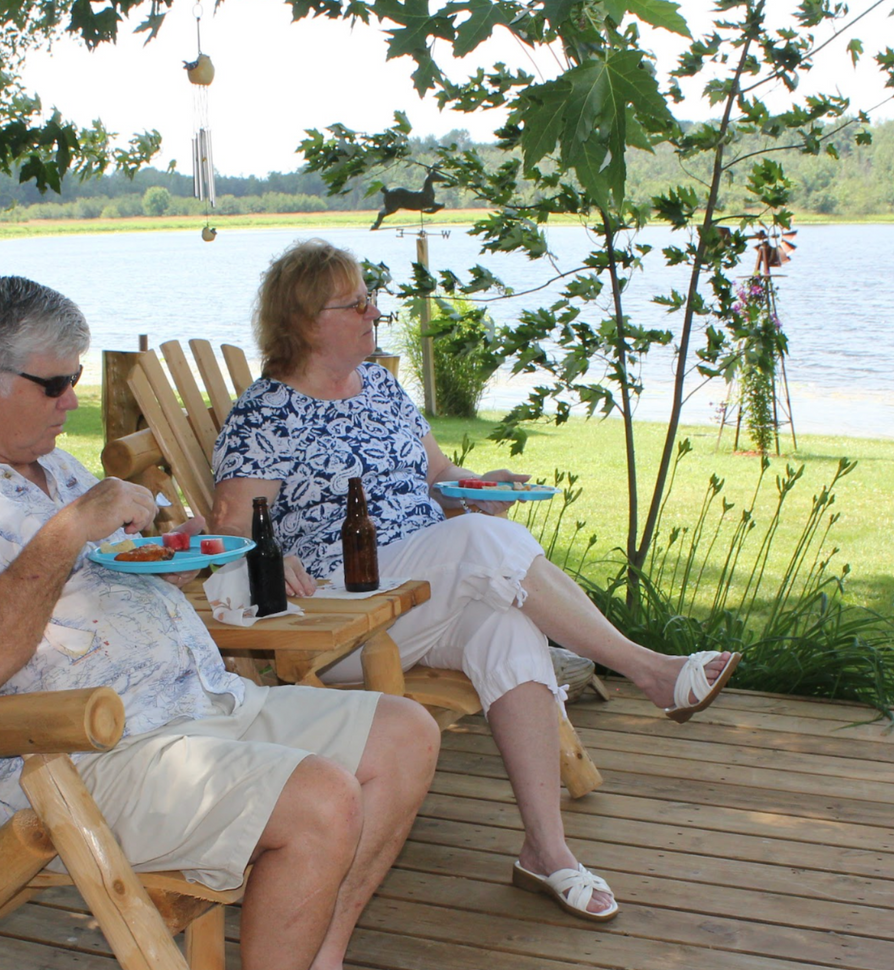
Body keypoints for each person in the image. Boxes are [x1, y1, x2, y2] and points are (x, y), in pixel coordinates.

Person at [0, 275, 442, 970]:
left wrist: (168, 552)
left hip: (201, 704)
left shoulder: (50, 467)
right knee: (320, 798)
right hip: (79, 755)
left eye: (75, 379)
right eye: (55, 384)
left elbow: (111, 572)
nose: (73, 400)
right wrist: (68, 531)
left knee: (403, 732)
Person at [211, 240, 741, 924]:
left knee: (506, 626)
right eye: (356, 304)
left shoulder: (381, 387)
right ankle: (650, 671)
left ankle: (546, 850)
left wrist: (477, 488)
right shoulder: (265, 414)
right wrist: (269, 553)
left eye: (372, 299)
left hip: (425, 588)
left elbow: (439, 476)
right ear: (307, 321)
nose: (375, 312)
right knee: (478, 543)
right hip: (340, 612)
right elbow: (232, 524)